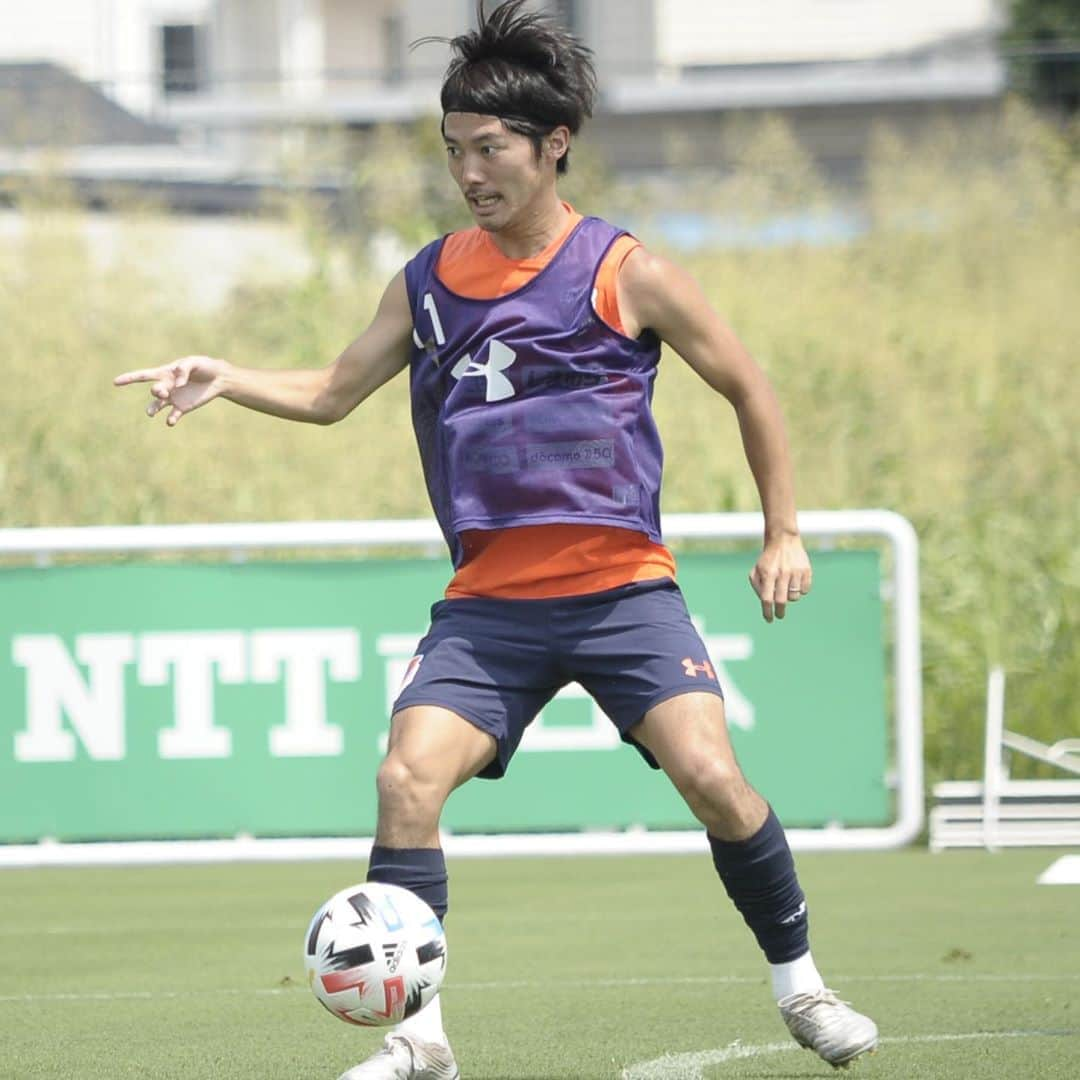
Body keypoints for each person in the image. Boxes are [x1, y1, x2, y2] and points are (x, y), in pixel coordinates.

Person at [115, 3, 879, 1076]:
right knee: (403, 783)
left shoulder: (626, 269)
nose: (470, 173)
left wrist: (782, 530)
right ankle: (421, 1038)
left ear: (553, 144)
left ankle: (801, 987)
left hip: (624, 594)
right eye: (454, 152)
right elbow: (335, 390)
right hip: (488, 610)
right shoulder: (428, 282)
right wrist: (229, 376)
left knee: (712, 775)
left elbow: (749, 386)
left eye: (491, 150)